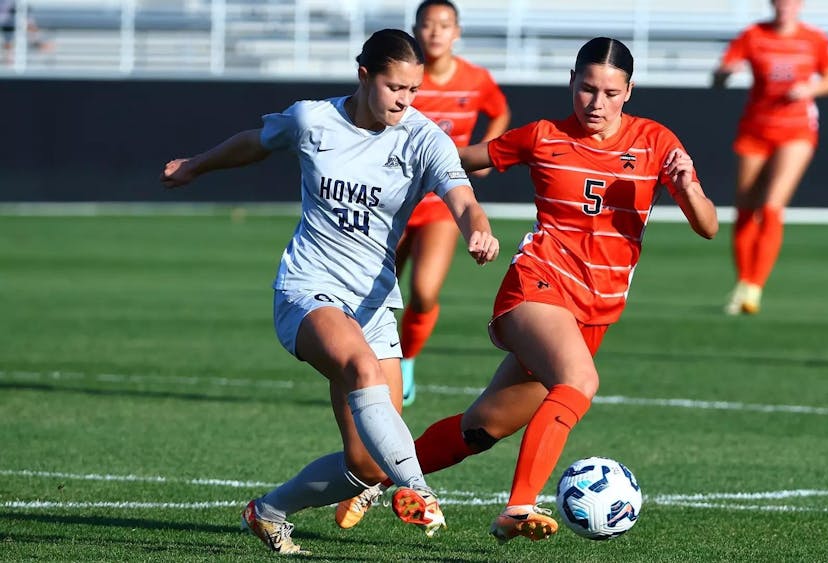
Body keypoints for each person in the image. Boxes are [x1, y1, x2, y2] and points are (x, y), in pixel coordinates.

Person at [335, 36, 718, 543]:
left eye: (610, 92)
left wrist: (689, 187)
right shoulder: (542, 136)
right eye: (586, 89)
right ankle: (517, 509)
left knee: (482, 428)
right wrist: (386, 153)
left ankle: (375, 481)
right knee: (580, 382)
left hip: (595, 311)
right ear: (571, 84)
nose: (596, 103)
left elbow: (708, 225)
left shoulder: (657, 141)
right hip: (537, 287)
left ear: (629, 91)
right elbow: (460, 159)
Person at [159, 28, 500, 554]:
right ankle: (419, 489)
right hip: (308, 289)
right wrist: (195, 166)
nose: (405, 101)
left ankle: (268, 510)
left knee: (365, 465)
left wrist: (476, 227)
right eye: (395, 88)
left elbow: (461, 195)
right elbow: (255, 142)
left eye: (413, 90)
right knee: (362, 371)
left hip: (373, 304)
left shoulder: (422, 136)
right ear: (365, 76)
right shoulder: (312, 120)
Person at [396, 0, 510, 406]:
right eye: (427, 25)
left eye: (444, 25)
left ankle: (405, 361)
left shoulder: (475, 79)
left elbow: (499, 110)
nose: (435, 32)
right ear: (415, 29)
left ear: (457, 32)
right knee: (371, 292)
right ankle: (367, 365)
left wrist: (484, 155)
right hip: (391, 200)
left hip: (442, 202)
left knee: (424, 292)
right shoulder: (402, 75)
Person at [712, 0, 828, 315]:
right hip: (755, 131)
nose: (785, 6)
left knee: (771, 206)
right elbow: (719, 76)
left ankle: (754, 287)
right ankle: (742, 283)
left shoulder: (815, 39)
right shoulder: (753, 35)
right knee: (745, 208)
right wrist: (724, 72)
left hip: (796, 132)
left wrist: (810, 90)